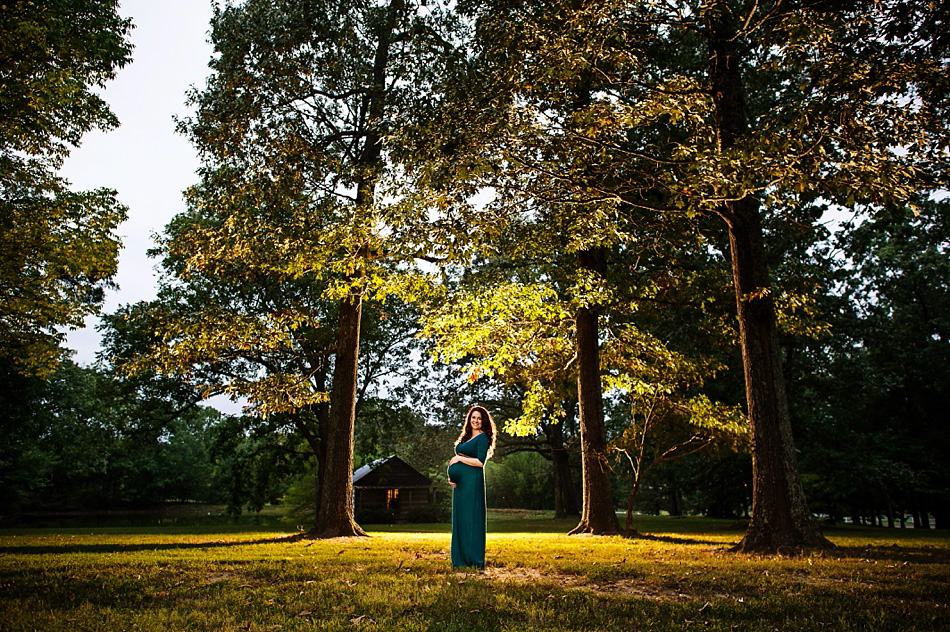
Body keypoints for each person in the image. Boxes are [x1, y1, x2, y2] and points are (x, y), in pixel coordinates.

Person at [447, 405, 496, 568]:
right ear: (469, 419)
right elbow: (459, 458)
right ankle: (459, 559)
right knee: (460, 519)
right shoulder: (466, 436)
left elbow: (479, 462)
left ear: (483, 421)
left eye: (479, 418)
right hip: (460, 485)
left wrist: (459, 460)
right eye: (473, 417)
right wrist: (452, 477)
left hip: (472, 483)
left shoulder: (482, 438)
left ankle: (473, 558)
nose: (476, 421)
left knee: (471, 519)